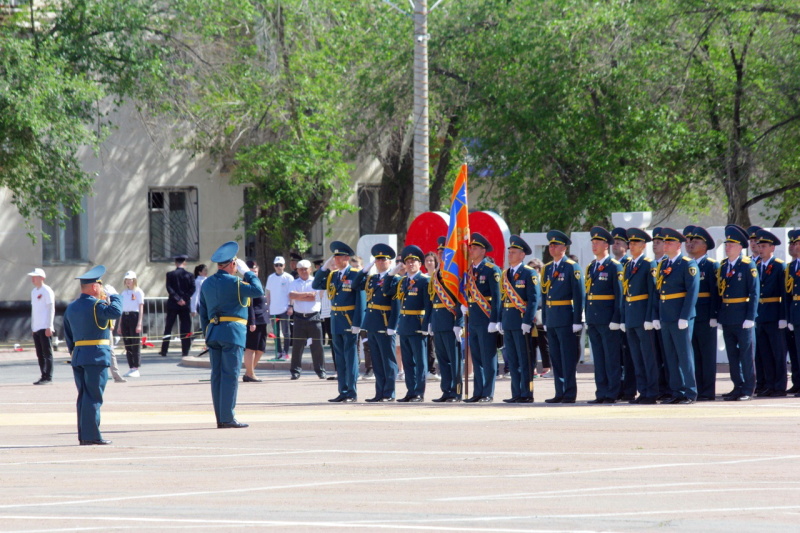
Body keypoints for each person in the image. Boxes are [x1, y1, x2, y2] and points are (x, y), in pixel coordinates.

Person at [199, 241, 264, 428]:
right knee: (230, 375)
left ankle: (221, 417)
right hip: (233, 334)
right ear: (233, 264)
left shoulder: (207, 283)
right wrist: (249, 273)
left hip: (213, 332)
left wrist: (207, 334)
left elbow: (203, 314)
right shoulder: (237, 283)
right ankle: (228, 418)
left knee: (217, 376)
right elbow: (258, 290)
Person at [63, 265, 122, 445]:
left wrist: (75, 351)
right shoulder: (98, 305)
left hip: (79, 355)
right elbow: (116, 311)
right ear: (95, 287)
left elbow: (68, 334)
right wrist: (116, 296)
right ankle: (91, 436)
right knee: (93, 396)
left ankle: (84, 434)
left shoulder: (71, 307)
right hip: (96, 356)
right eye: (100, 286)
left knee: (84, 396)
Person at [312, 241, 366, 402]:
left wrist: (358, 323)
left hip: (349, 321)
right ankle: (342, 390)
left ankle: (351, 392)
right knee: (340, 358)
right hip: (336, 321)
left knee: (350, 358)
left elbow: (361, 301)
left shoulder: (355, 274)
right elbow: (316, 284)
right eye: (334, 257)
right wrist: (323, 268)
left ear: (347, 258)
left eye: (338, 257)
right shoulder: (333, 275)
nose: (335, 259)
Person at [652, 227, 700, 404]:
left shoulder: (687, 264)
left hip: (680, 316)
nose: (665, 245)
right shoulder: (663, 265)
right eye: (664, 242)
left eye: (669, 242)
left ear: (678, 245)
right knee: (670, 356)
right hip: (666, 315)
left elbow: (692, 291)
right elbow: (659, 292)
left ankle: (690, 391)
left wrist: (684, 316)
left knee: (684, 355)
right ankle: (677, 391)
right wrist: (656, 315)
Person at [382, 245, 430, 402]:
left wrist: (426, 326)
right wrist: (392, 272)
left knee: (420, 361)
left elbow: (428, 305)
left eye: (413, 262)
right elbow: (387, 290)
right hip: (404, 325)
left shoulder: (424, 281)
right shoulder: (403, 281)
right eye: (407, 262)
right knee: (408, 361)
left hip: (417, 324)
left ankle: (419, 392)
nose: (410, 264)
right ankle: (410, 391)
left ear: (419, 264)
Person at [542, 230, 584, 404]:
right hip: (552, 317)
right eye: (550, 245)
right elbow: (545, 296)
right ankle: (559, 391)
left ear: (564, 248)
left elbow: (579, 295)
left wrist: (576, 321)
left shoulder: (571, 267)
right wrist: (545, 319)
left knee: (567, 358)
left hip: (566, 316)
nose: (552, 248)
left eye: (556, 245)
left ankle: (569, 392)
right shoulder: (548, 268)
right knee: (556, 358)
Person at [717, 225, 759, 402]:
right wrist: (720, 316)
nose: (728, 247)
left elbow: (754, 292)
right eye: (727, 244)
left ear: (740, 247)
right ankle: (737, 386)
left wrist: (750, 317)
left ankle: (748, 388)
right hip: (728, 316)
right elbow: (720, 292)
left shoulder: (747, 265)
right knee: (732, 356)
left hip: (743, 316)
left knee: (746, 355)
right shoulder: (724, 265)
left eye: (731, 244)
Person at [584, 227, 624, 404]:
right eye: (593, 243)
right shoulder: (592, 266)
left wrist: (616, 318)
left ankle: (612, 392)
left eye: (598, 242)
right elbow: (588, 294)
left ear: (607, 245)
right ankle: (601, 392)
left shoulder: (614, 266)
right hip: (594, 319)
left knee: (611, 358)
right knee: (598, 359)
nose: (594, 245)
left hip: (608, 320)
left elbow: (620, 295)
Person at [499, 235, 540, 404]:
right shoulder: (505, 274)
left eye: (514, 252)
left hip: (522, 322)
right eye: (509, 252)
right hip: (508, 321)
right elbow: (503, 299)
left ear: (522, 255)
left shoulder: (529, 273)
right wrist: (501, 320)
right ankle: (516, 392)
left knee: (525, 360)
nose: (510, 255)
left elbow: (533, 299)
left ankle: (527, 392)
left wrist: (527, 321)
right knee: (512, 361)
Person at [620, 228, 659, 404]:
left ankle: (652, 392)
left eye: (635, 243)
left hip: (643, 317)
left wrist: (650, 318)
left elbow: (653, 293)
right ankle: (642, 391)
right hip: (631, 317)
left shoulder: (648, 264)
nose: (631, 245)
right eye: (630, 242)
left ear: (643, 245)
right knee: (636, 357)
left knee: (648, 357)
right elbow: (625, 294)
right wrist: (623, 319)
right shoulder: (628, 265)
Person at [463, 233, 502, 403]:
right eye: (471, 247)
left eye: (476, 248)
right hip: (474, 319)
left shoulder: (491, 270)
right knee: (476, 357)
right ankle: (477, 391)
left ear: (484, 251)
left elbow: (497, 297)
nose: (472, 250)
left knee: (488, 357)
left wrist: (495, 320)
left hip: (487, 319)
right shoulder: (470, 270)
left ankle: (488, 392)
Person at [358, 244, 400, 401]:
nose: (380, 262)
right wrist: (364, 270)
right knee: (376, 360)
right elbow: (356, 284)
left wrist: (392, 325)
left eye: (384, 260)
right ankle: (379, 392)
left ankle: (389, 393)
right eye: (377, 260)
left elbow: (396, 304)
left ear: (390, 262)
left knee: (388, 360)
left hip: (384, 323)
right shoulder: (372, 279)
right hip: (372, 323)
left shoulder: (395, 279)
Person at [425, 236, 464, 402]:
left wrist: (459, 323)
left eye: (444, 252)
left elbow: (460, 299)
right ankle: (446, 391)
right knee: (443, 360)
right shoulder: (436, 275)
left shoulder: (453, 274)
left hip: (450, 320)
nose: (441, 254)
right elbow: (431, 300)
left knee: (454, 361)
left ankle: (457, 392)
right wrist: (429, 322)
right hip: (438, 321)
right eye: (439, 252)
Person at [684, 226, 720, 401]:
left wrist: (714, 315)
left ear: (705, 246)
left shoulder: (711, 265)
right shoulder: (686, 264)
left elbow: (716, 292)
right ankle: (696, 388)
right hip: (690, 315)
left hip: (706, 316)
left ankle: (708, 391)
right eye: (689, 241)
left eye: (695, 241)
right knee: (693, 354)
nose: (690, 244)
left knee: (707, 354)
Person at [753, 229, 787, 397]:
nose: (761, 249)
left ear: (772, 248)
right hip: (761, 314)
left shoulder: (779, 266)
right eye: (759, 246)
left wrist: (783, 317)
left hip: (774, 313)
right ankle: (769, 384)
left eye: (764, 246)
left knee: (778, 353)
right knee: (764, 353)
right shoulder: (756, 266)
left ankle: (780, 386)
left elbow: (784, 293)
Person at [288, 259, 328, 380]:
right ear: (297, 270)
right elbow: (292, 296)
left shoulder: (316, 281)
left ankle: (320, 370)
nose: (303, 271)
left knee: (317, 346)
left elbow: (316, 297)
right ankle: (295, 371)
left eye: (306, 269)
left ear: (310, 269)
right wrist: (307, 295)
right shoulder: (294, 282)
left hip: (314, 316)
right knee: (297, 346)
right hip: (299, 316)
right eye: (301, 269)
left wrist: (300, 296)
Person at [612, 227, 636, 401]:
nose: (615, 245)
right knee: (618, 356)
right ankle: (619, 388)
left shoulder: (628, 263)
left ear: (627, 246)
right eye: (613, 242)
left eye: (619, 242)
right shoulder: (613, 264)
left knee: (628, 356)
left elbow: (624, 294)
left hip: (628, 316)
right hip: (615, 316)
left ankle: (629, 389)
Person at [159, 254, 196, 357]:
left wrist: (177, 298)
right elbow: (192, 289)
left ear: (176, 263)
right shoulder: (189, 275)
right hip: (185, 306)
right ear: (184, 263)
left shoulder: (170, 274)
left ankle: (164, 350)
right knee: (186, 328)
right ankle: (185, 351)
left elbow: (169, 288)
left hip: (173, 304)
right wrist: (184, 299)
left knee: (168, 327)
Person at [28, 268, 55, 385]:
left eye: (35, 276)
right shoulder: (34, 292)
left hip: (45, 326)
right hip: (37, 327)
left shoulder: (47, 290)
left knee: (47, 352)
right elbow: (34, 310)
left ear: (42, 278)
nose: (33, 279)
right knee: (40, 353)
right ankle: (43, 375)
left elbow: (51, 308)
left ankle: (48, 376)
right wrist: (33, 327)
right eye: (32, 277)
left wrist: (49, 326)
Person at [243, 260, 269, 382]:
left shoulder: (257, 283)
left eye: (256, 271)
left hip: (262, 319)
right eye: (252, 272)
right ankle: (250, 374)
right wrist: (252, 321)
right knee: (251, 347)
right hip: (255, 320)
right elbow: (250, 305)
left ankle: (249, 372)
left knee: (260, 348)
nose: (254, 274)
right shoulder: (247, 285)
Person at [349, 255, 374, 380]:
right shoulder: (349, 281)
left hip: (365, 315)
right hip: (352, 316)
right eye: (352, 267)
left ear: (363, 267)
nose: (355, 270)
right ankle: (356, 369)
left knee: (367, 343)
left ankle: (370, 369)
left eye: (357, 267)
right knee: (354, 344)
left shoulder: (369, 280)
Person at [117, 271, 145, 378]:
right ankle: (131, 366)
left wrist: (139, 323)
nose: (128, 282)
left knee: (135, 343)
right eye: (127, 280)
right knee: (127, 343)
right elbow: (122, 309)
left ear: (134, 280)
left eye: (130, 279)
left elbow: (141, 307)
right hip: (125, 316)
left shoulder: (138, 292)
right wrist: (120, 324)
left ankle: (136, 367)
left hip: (134, 316)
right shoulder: (123, 293)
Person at [266, 256, 293, 361]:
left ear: (284, 266)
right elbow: (268, 293)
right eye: (276, 265)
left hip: (285, 308)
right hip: (273, 309)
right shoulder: (271, 278)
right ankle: (278, 351)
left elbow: (292, 293)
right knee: (275, 332)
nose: (278, 267)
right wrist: (268, 307)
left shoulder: (288, 277)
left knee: (286, 332)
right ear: (274, 266)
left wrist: (291, 306)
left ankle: (286, 352)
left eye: (280, 265)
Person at [527, 258, 551, 378]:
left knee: (544, 343)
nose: (533, 270)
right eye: (531, 267)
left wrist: (536, 308)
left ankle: (547, 367)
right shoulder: (528, 281)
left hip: (541, 316)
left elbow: (543, 298)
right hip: (529, 316)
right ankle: (532, 368)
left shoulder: (543, 281)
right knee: (531, 344)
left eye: (535, 267)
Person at [786, 230, 800, 395]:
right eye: (794, 243)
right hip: (795, 312)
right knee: (795, 352)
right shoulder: (791, 267)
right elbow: (788, 294)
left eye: (797, 243)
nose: (795, 246)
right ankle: (797, 382)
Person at [423, 251, 441, 381]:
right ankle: (429, 368)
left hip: (437, 312)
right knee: (428, 343)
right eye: (427, 260)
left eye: (431, 260)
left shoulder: (438, 277)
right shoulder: (423, 277)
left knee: (435, 344)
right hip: (424, 314)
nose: (429, 263)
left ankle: (433, 370)